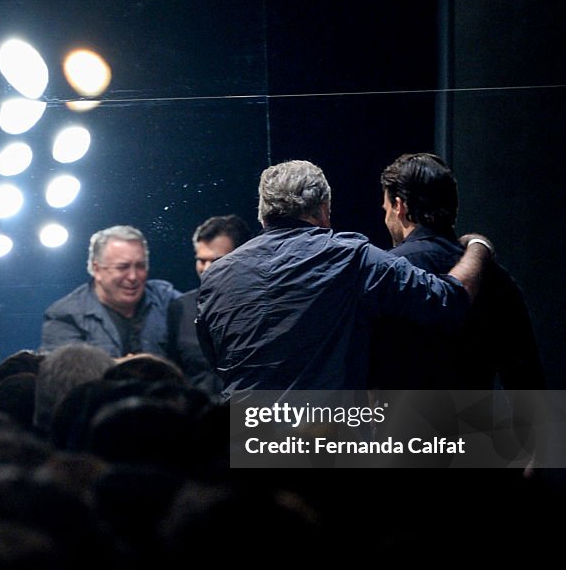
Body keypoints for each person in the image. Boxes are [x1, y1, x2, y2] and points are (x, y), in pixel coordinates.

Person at [196, 159, 493, 394]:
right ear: (325, 210)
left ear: (263, 214)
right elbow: (448, 301)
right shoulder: (351, 256)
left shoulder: (216, 276)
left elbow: (215, 361)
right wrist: (479, 246)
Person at [371, 152, 545, 390]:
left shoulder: (385, 273)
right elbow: (527, 382)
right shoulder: (496, 278)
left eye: (386, 209)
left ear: (400, 206)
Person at [41, 225, 180, 357]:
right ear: (97, 270)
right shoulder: (65, 315)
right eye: (122, 267)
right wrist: (130, 366)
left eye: (140, 266)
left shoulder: (166, 299)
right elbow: (65, 375)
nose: (133, 276)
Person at [167, 215, 253, 393]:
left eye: (216, 261)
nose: (206, 269)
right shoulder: (180, 309)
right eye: (201, 260)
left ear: (243, 257)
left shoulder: (267, 305)